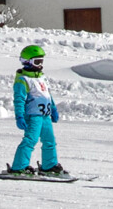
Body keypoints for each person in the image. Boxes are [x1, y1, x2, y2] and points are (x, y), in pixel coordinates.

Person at [7, 44, 68, 178]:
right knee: (30, 140)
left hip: (45, 116)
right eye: (37, 61)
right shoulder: (23, 80)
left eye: (41, 61)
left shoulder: (42, 77)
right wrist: (19, 116)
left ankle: (49, 165)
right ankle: (19, 167)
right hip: (33, 116)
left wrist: (53, 108)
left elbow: (48, 95)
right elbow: (19, 100)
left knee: (49, 140)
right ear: (26, 62)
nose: (40, 65)